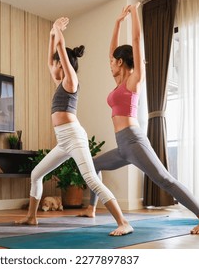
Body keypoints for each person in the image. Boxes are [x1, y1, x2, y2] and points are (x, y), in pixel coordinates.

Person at [78, 2, 199, 235]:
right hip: (123, 145)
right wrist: (117, 22)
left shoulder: (134, 80)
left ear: (121, 62)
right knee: (94, 165)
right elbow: (111, 50)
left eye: (113, 61)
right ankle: (91, 208)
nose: (110, 63)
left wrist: (133, 15)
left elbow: (137, 42)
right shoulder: (118, 84)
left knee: (165, 180)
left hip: (133, 140)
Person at [15, 17, 133, 236]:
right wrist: (52, 33)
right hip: (63, 140)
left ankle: (123, 222)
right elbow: (51, 58)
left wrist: (58, 33)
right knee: (36, 174)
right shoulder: (59, 81)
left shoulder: (71, 80)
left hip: (74, 136)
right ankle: (31, 218)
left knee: (91, 179)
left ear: (63, 63)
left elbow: (60, 50)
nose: (54, 66)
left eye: (57, 62)